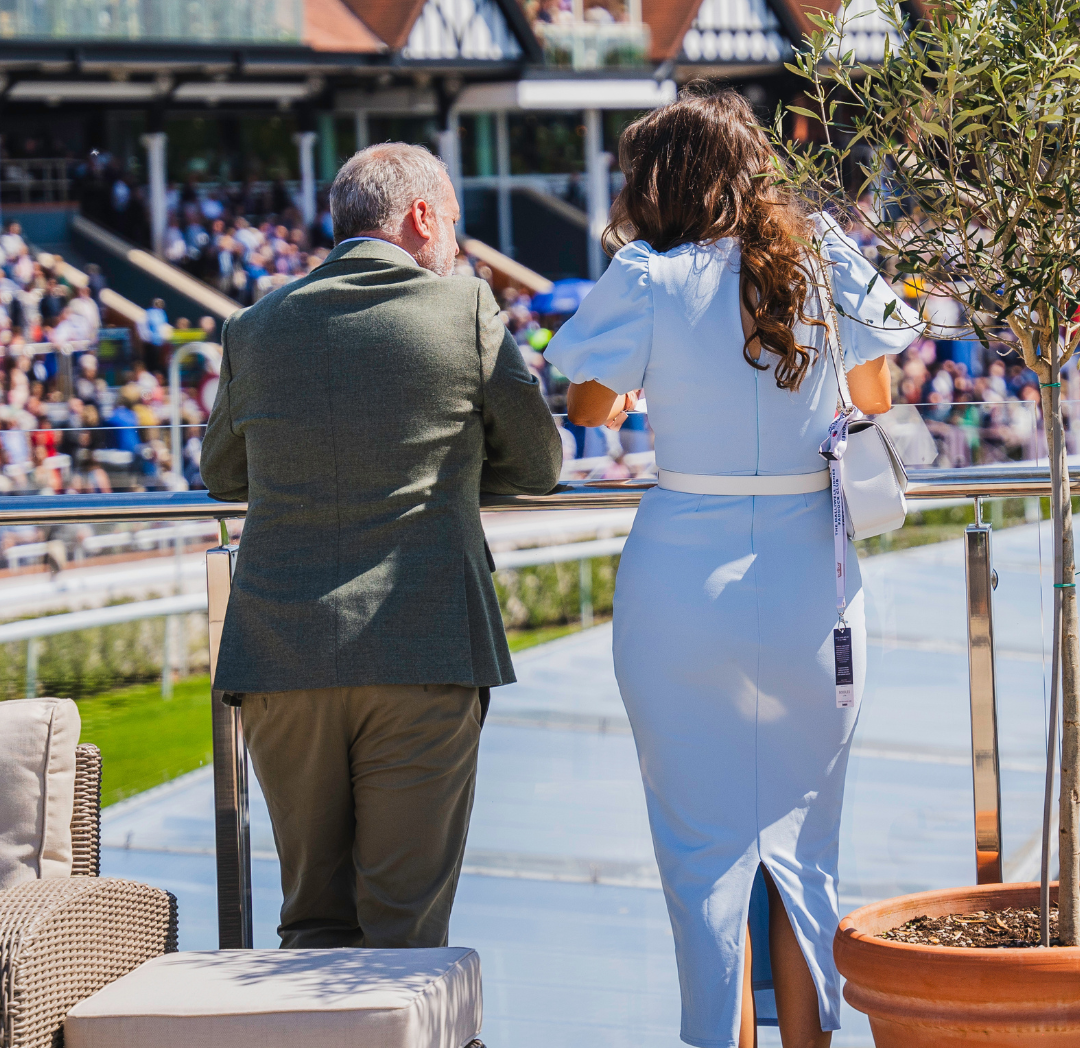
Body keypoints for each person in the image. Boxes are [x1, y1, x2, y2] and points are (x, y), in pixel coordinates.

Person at [544, 89, 920, 1048]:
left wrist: (643, 386)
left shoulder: (648, 275)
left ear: (661, 182)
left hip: (682, 584)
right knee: (806, 846)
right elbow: (875, 392)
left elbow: (587, 404)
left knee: (702, 854)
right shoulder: (824, 259)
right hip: (810, 578)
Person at [200, 142, 562, 950]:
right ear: (422, 216)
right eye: (457, 226)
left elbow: (223, 473)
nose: (459, 247)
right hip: (423, 644)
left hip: (280, 657)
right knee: (403, 928)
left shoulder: (255, 327)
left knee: (311, 925)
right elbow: (540, 462)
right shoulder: (466, 309)